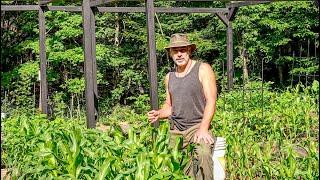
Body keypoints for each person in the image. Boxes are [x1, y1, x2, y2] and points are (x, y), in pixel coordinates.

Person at [147, 33, 217, 179]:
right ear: (170, 53)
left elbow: (211, 100)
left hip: (198, 126)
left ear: (189, 51)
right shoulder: (169, 77)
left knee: (203, 154)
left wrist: (204, 129)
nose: (179, 54)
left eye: (183, 50)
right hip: (176, 131)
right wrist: (159, 113)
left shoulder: (202, 69)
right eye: (175, 50)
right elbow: (170, 106)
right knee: (175, 168)